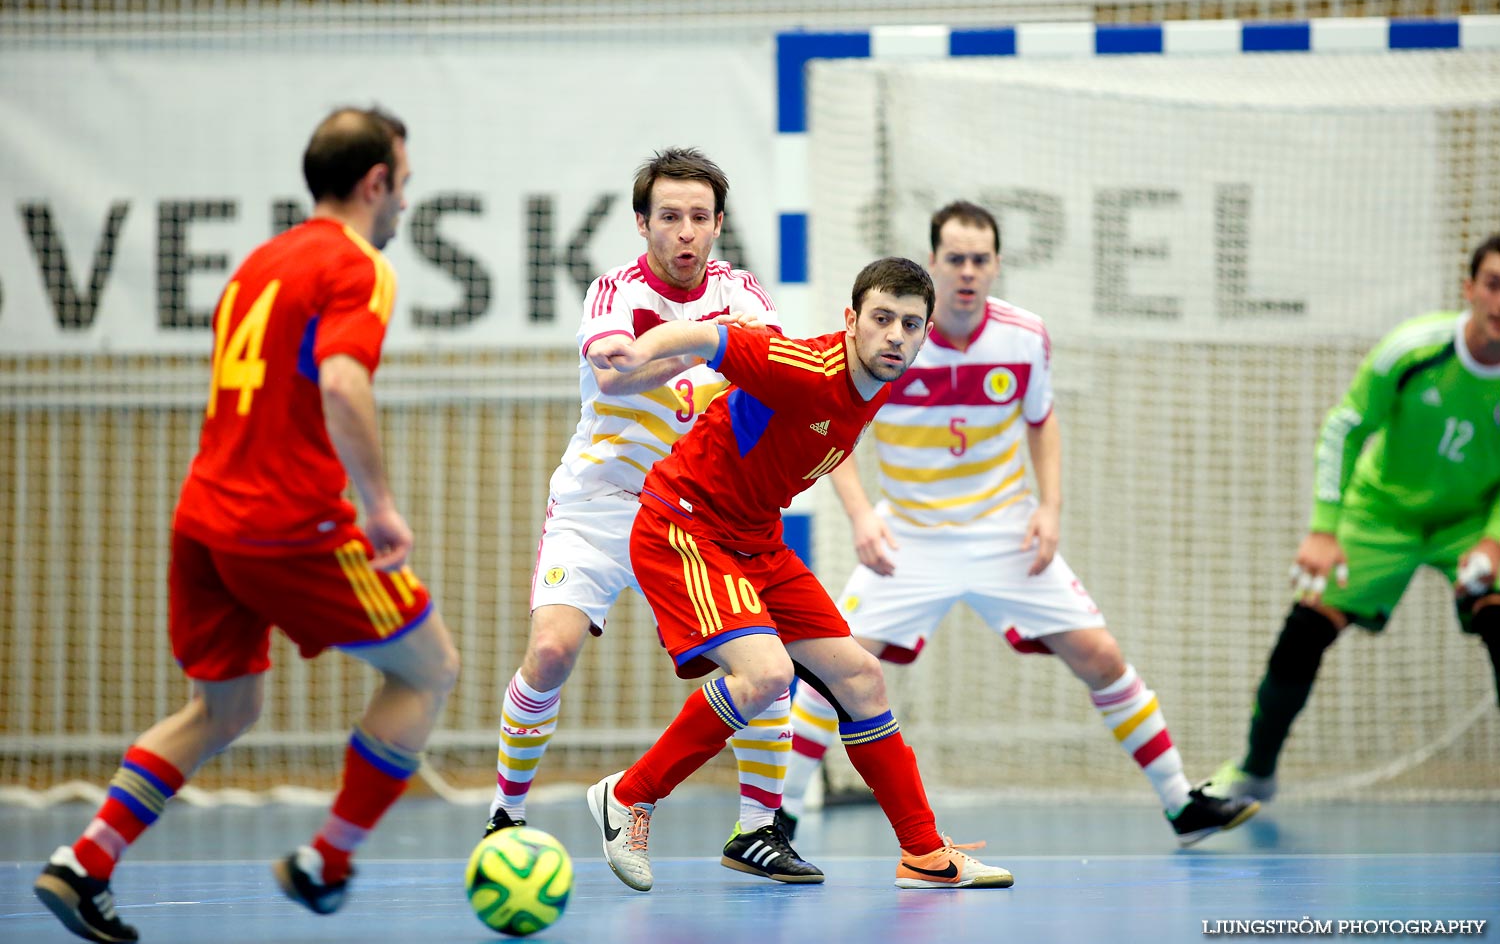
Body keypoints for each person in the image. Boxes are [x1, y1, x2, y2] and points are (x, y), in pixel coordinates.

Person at [33, 107, 462, 944]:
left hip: (203, 521)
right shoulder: (358, 265)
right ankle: (327, 863)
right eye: (404, 186)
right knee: (429, 669)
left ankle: (85, 862)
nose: (405, 204)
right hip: (284, 523)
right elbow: (342, 384)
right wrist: (379, 507)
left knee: (222, 710)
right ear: (376, 183)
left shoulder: (260, 262)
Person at [777, 201, 1259, 847]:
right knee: (837, 664)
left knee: (1100, 654)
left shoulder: (1024, 335)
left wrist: (1049, 508)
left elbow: (1042, 420)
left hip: (1004, 532)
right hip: (909, 537)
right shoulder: (895, 337)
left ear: (997, 264)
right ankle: (779, 818)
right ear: (934, 263)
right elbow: (829, 425)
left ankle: (1182, 802)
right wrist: (862, 515)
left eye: (981, 259)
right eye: (955, 259)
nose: (968, 272)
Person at [585, 255, 1016, 893]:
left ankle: (924, 854)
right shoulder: (804, 367)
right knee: (766, 674)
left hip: (756, 538)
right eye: (881, 319)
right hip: (687, 526)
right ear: (851, 320)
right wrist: (640, 348)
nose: (896, 335)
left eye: (910, 324)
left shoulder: (880, 382)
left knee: (863, 678)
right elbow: (710, 336)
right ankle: (629, 795)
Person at [483, 148, 822, 883]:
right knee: (550, 651)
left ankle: (758, 829)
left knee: (762, 662)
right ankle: (506, 815)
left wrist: (687, 354)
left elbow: (777, 368)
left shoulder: (744, 292)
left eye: (700, 218)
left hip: (699, 511)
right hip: (603, 502)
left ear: (718, 224)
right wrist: (712, 347)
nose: (686, 233)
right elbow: (613, 368)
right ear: (643, 224)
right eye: (669, 217)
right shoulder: (613, 291)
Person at [1209, 233, 1500, 802]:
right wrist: (1323, 528)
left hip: (1472, 518)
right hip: (1382, 512)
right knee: (1304, 631)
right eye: (1494, 285)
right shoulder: (1414, 350)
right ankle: (1254, 769)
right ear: (1469, 290)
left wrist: (1492, 543)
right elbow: (1346, 427)